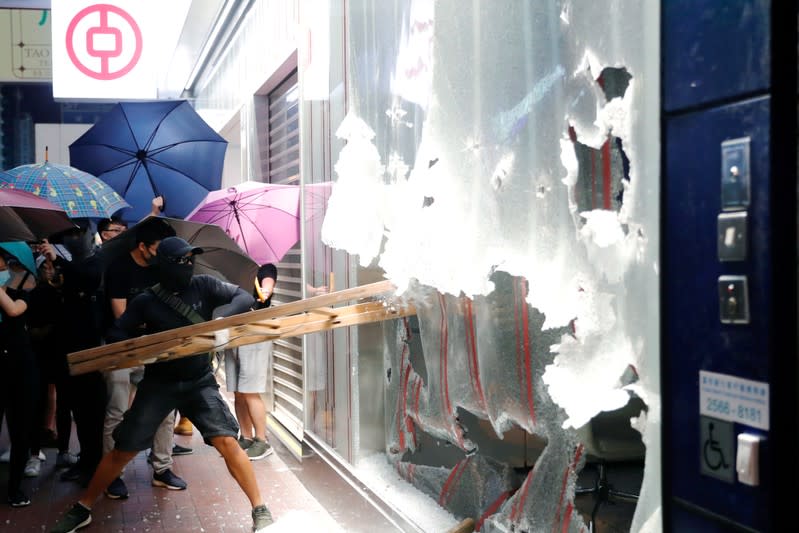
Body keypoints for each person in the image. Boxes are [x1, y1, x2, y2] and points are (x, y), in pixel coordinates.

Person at [50, 237, 274, 533]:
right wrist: (139, 342)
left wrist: (218, 321)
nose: (187, 265)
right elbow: (117, 333)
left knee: (227, 441)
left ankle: (260, 509)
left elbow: (244, 298)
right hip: (159, 384)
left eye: (190, 259)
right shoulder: (146, 300)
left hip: (199, 383)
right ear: (164, 265)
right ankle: (84, 507)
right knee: (124, 449)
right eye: (180, 260)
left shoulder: (204, 284)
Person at [101, 218, 189, 500]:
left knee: (165, 410)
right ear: (143, 247)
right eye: (159, 249)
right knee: (116, 410)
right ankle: (111, 474)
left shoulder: (160, 269)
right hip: (120, 348)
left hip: (153, 348)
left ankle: (162, 468)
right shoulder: (118, 269)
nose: (163, 255)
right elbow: (121, 317)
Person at [39, 221, 108, 486]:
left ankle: (96, 462)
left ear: (91, 236)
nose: (74, 238)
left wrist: (59, 262)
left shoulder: (97, 261)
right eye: (70, 233)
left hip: (90, 348)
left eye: (79, 233)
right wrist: (53, 281)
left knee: (93, 410)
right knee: (77, 408)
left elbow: (88, 278)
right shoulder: (69, 266)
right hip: (65, 346)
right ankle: (86, 460)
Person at [0, 242, 39, 507]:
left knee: (21, 427)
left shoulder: (27, 283)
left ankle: (15, 488)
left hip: (21, 364)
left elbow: (14, 310)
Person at [224, 263, 277, 460]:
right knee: (238, 391)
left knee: (249, 390)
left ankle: (262, 441)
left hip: (254, 335)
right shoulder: (228, 272)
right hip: (232, 333)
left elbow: (268, 284)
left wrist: (265, 290)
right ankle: (245, 437)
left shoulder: (264, 268)